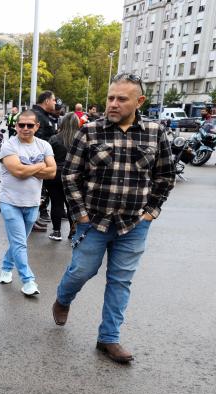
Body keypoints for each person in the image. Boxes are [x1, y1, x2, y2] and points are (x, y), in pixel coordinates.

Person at [53, 74, 175, 363]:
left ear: (139, 101)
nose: (114, 103)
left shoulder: (155, 133)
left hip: (134, 225)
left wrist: (151, 212)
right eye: (111, 98)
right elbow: (70, 175)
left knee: (120, 281)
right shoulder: (90, 132)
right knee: (81, 271)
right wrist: (80, 214)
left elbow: (165, 176)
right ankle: (63, 299)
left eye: (122, 99)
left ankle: (109, 338)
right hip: (93, 222)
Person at [0, 109, 57, 296]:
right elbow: (18, 172)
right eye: (21, 125)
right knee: (20, 243)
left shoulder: (44, 145)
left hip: (33, 203)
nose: (25, 128)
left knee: (18, 242)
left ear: (37, 126)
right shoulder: (9, 146)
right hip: (10, 202)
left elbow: (53, 172)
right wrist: (40, 166)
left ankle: (6, 268)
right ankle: (28, 281)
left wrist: (27, 168)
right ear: (15, 126)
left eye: (30, 125)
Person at [47, 112, 79, 241]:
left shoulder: (54, 139)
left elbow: (47, 157)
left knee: (56, 203)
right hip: (74, 177)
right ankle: (73, 230)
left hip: (55, 175)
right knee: (72, 205)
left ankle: (56, 231)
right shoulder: (81, 139)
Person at [31, 90, 58, 232]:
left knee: (39, 191)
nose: (55, 103)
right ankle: (31, 220)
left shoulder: (45, 116)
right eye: (53, 100)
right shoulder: (37, 116)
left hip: (45, 159)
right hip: (38, 160)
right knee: (35, 190)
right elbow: (37, 140)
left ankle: (34, 218)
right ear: (47, 100)